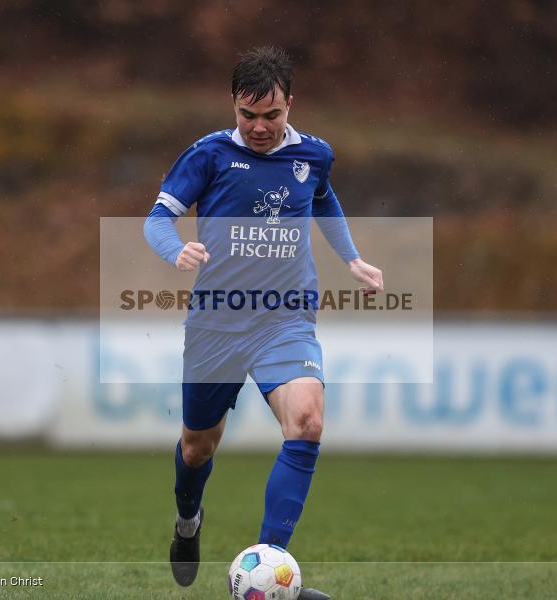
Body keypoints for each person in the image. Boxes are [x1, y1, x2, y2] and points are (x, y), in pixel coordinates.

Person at [144, 47, 382, 600]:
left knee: (308, 421)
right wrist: (173, 250)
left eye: (270, 116)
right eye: (247, 115)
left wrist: (349, 256)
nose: (257, 127)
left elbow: (324, 200)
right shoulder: (208, 155)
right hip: (217, 325)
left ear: (289, 106)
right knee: (197, 446)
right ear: (233, 105)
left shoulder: (315, 155)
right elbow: (159, 219)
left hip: (285, 318)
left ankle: (271, 570)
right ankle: (187, 521)